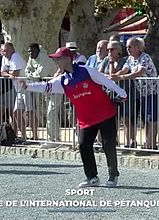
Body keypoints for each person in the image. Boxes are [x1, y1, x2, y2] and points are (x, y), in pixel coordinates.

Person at [21, 47, 127, 187]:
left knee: (108, 145)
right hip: (86, 119)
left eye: (58, 58)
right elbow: (46, 86)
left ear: (67, 59)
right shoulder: (63, 80)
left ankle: (113, 175)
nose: (56, 61)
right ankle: (92, 177)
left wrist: (122, 93)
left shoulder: (87, 70)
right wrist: (28, 86)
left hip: (104, 113)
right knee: (84, 145)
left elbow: (106, 81)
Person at [25, 43, 60, 148]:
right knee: (49, 113)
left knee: (51, 113)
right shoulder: (32, 58)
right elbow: (27, 71)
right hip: (46, 89)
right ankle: (53, 138)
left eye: (32, 51)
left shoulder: (44, 58)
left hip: (56, 87)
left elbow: (40, 75)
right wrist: (33, 75)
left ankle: (54, 139)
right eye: (29, 51)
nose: (30, 53)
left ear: (38, 51)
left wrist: (32, 75)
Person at [0, 42, 27, 141]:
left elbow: (16, 73)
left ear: (12, 50)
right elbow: (2, 73)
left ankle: (32, 137)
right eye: (2, 51)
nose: (4, 53)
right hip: (19, 89)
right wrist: (9, 74)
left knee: (30, 113)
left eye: (6, 50)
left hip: (26, 87)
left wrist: (9, 73)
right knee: (16, 113)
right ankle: (23, 136)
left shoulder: (15, 56)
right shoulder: (4, 58)